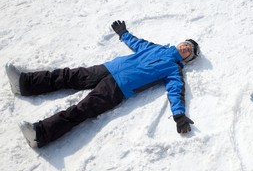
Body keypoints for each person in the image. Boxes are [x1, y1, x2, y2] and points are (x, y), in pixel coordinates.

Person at [6, 20, 200, 148]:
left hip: (118, 89)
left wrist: (179, 115)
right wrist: (124, 33)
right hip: (108, 68)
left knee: (81, 110)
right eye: (185, 44)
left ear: (187, 58)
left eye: (188, 51)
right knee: (68, 76)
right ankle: (24, 84)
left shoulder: (174, 70)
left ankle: (39, 134)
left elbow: (175, 92)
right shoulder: (157, 48)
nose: (184, 48)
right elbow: (138, 44)